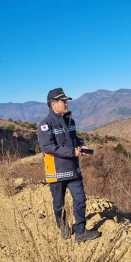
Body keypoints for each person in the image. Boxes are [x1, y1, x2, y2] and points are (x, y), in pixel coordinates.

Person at [37, 88, 101, 243]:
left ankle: (80, 232)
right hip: (56, 172)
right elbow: (48, 147)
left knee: (80, 199)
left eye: (66, 101)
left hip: (73, 170)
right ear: (53, 105)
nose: (66, 104)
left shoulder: (70, 121)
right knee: (59, 204)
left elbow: (74, 140)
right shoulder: (45, 125)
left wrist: (81, 147)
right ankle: (63, 226)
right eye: (63, 101)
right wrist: (72, 152)